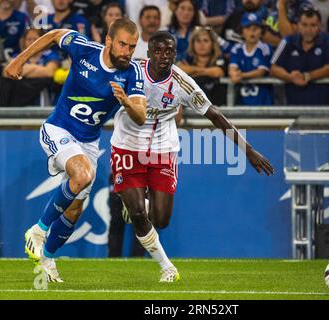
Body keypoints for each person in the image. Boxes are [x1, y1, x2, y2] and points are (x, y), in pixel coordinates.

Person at [110, 31, 274, 282]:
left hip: (164, 148)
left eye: (169, 52)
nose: (164, 56)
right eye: (158, 51)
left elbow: (215, 116)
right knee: (138, 215)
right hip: (127, 144)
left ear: (175, 54)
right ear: (149, 52)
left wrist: (248, 149)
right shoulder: (132, 71)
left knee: (161, 220)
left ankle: (137, 204)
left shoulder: (182, 83)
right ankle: (166, 267)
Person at [4, 18, 147, 282]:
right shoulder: (84, 49)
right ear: (108, 41)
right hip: (59, 129)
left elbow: (140, 115)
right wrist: (19, 60)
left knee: (73, 210)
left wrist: (125, 101)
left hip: (89, 142)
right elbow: (54, 35)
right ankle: (38, 229)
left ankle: (46, 258)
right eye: (123, 45)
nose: (127, 51)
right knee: (82, 175)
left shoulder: (133, 72)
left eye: (132, 46)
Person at [270, 7, 329, 105]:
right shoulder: (287, 41)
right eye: (304, 25)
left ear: (320, 26)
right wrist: (290, 77)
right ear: (298, 25)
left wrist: (307, 76)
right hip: (294, 107)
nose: (308, 30)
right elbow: (274, 68)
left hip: (324, 108)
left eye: (313, 25)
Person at [0, 27, 60, 106]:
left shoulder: (50, 55)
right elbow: (7, 72)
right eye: (29, 39)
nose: (32, 42)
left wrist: (23, 70)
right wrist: (37, 68)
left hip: (42, 100)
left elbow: (49, 72)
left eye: (35, 39)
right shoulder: (19, 56)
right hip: (20, 98)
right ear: (24, 41)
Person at [229, 12, 274, 106]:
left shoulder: (265, 48)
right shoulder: (236, 49)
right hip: (242, 101)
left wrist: (241, 75)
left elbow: (261, 71)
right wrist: (233, 74)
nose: (252, 31)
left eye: (256, 28)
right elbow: (232, 68)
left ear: (262, 31)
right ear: (241, 31)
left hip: (263, 101)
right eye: (248, 28)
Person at [177, 25, 227, 106]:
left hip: (216, 106)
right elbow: (179, 70)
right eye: (198, 41)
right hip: (190, 107)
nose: (201, 44)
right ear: (193, 44)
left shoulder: (220, 58)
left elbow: (218, 72)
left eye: (206, 41)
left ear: (212, 43)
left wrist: (193, 72)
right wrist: (206, 71)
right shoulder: (188, 58)